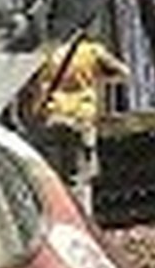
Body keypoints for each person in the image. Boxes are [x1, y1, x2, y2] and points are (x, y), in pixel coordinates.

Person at [23, 32, 132, 214]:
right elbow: (123, 73)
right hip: (80, 119)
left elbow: (28, 85)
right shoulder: (92, 52)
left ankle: (54, 217)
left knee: (50, 179)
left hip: (51, 117)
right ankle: (81, 222)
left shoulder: (45, 53)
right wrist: (97, 78)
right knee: (80, 180)